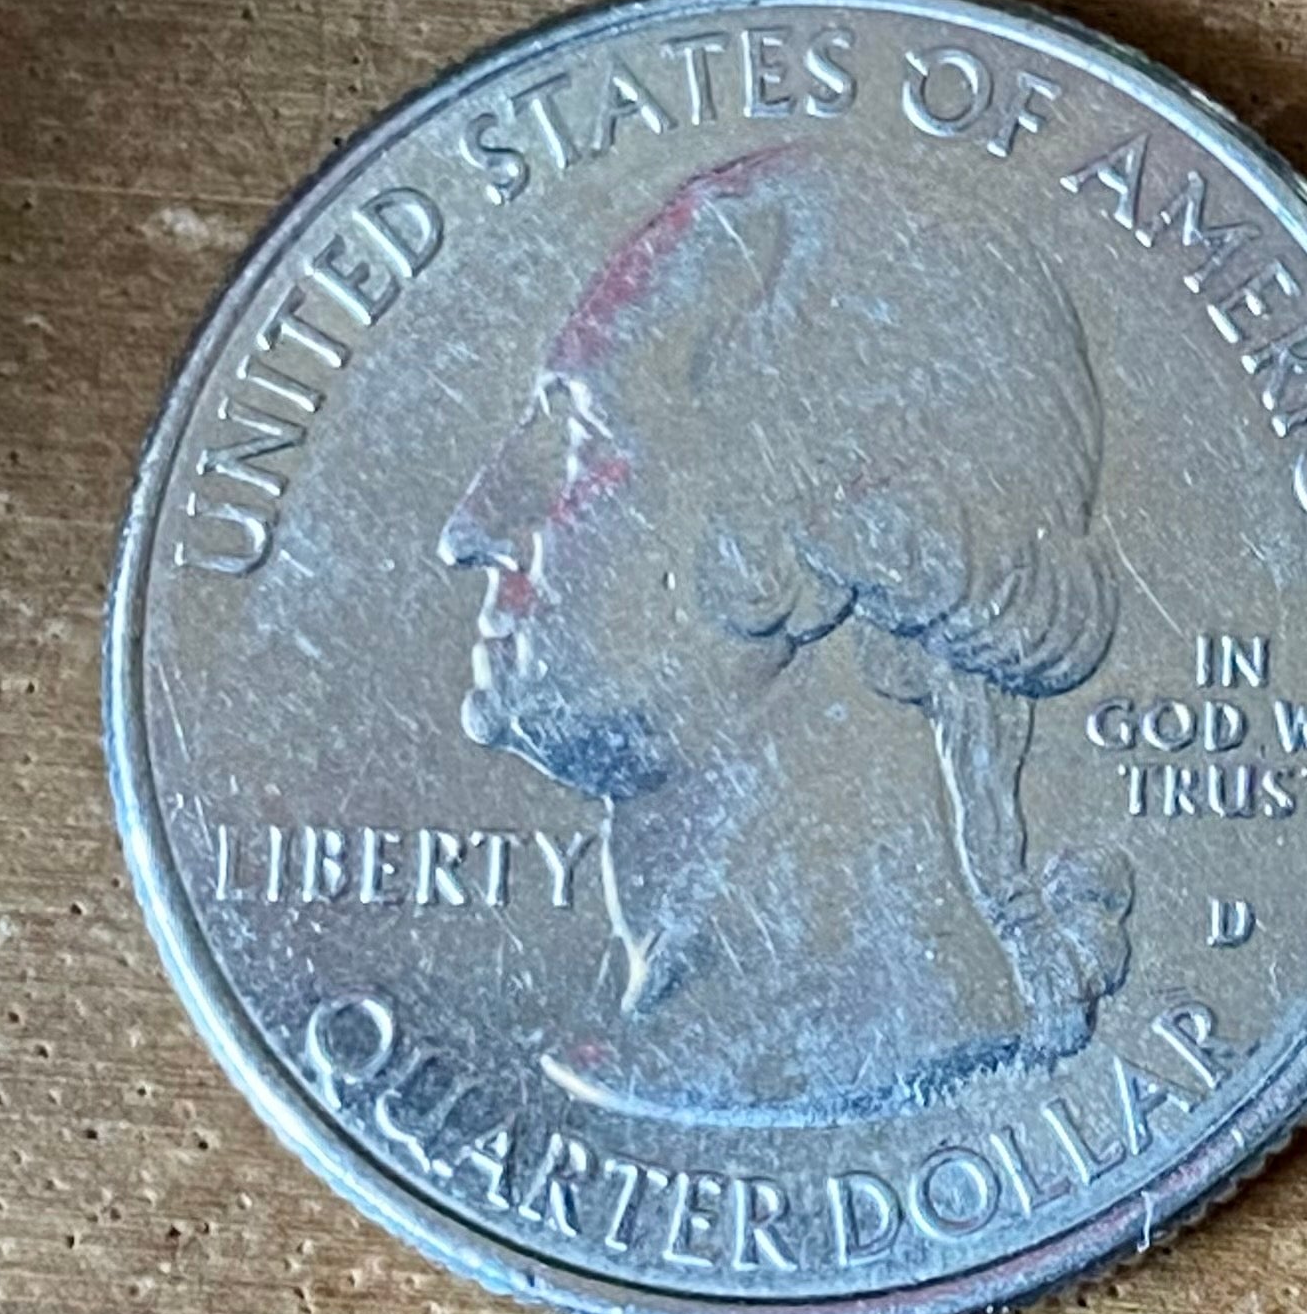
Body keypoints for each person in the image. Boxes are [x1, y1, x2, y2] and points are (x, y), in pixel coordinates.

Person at [439, 144, 1132, 1127]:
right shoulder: (670, 1052)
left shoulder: (861, 1043)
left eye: (580, 434)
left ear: (809, 525)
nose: (472, 525)